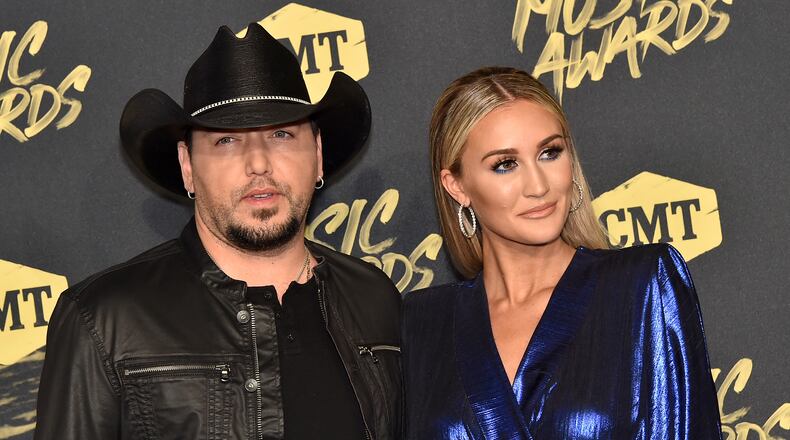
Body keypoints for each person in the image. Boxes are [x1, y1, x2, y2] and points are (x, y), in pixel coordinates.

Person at [34, 23, 401, 440]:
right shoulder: (105, 318)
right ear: (187, 166)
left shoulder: (374, 298)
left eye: (282, 134)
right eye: (226, 141)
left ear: (317, 156)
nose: (258, 163)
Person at [402, 67, 721, 439]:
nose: (538, 185)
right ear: (457, 186)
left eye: (550, 153)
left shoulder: (642, 286)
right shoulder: (424, 320)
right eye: (505, 165)